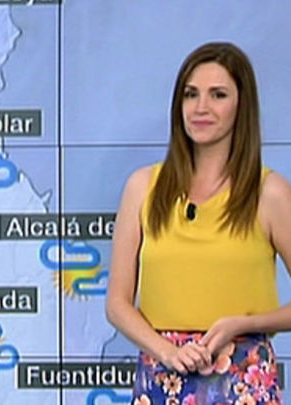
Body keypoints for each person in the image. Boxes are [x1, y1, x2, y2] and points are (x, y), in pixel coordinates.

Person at [106, 42, 291, 404]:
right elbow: (117, 303)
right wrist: (166, 351)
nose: (200, 107)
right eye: (191, 94)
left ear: (242, 106)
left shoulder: (269, 193)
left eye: (218, 95)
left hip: (243, 377)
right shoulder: (143, 187)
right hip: (162, 373)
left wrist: (243, 324)